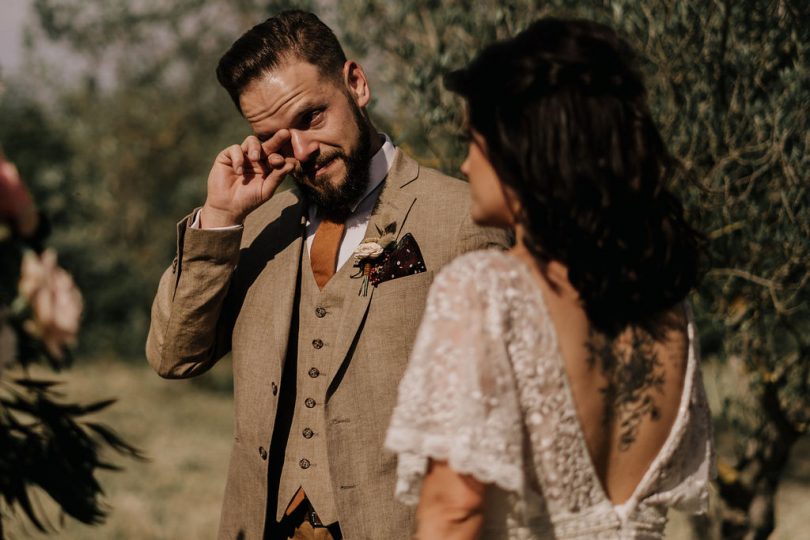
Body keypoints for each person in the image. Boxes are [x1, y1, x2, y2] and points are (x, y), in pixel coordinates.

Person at [145, 10, 509, 540]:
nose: (302, 151)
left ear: (355, 84)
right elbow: (174, 355)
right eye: (274, 137)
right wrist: (220, 217)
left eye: (312, 117)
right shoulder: (256, 227)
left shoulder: (462, 218)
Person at [385, 17, 714, 539]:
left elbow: (454, 512)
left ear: (525, 150)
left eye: (475, 140)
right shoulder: (669, 306)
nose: (467, 165)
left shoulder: (486, 289)